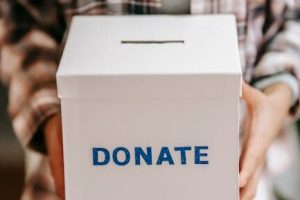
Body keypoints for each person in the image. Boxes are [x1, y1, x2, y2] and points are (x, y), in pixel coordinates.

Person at [0, 0, 300, 199]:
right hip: (79, 175)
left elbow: (293, 20)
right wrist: (51, 118)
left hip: (234, 174)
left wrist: (276, 96)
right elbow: (17, 19)